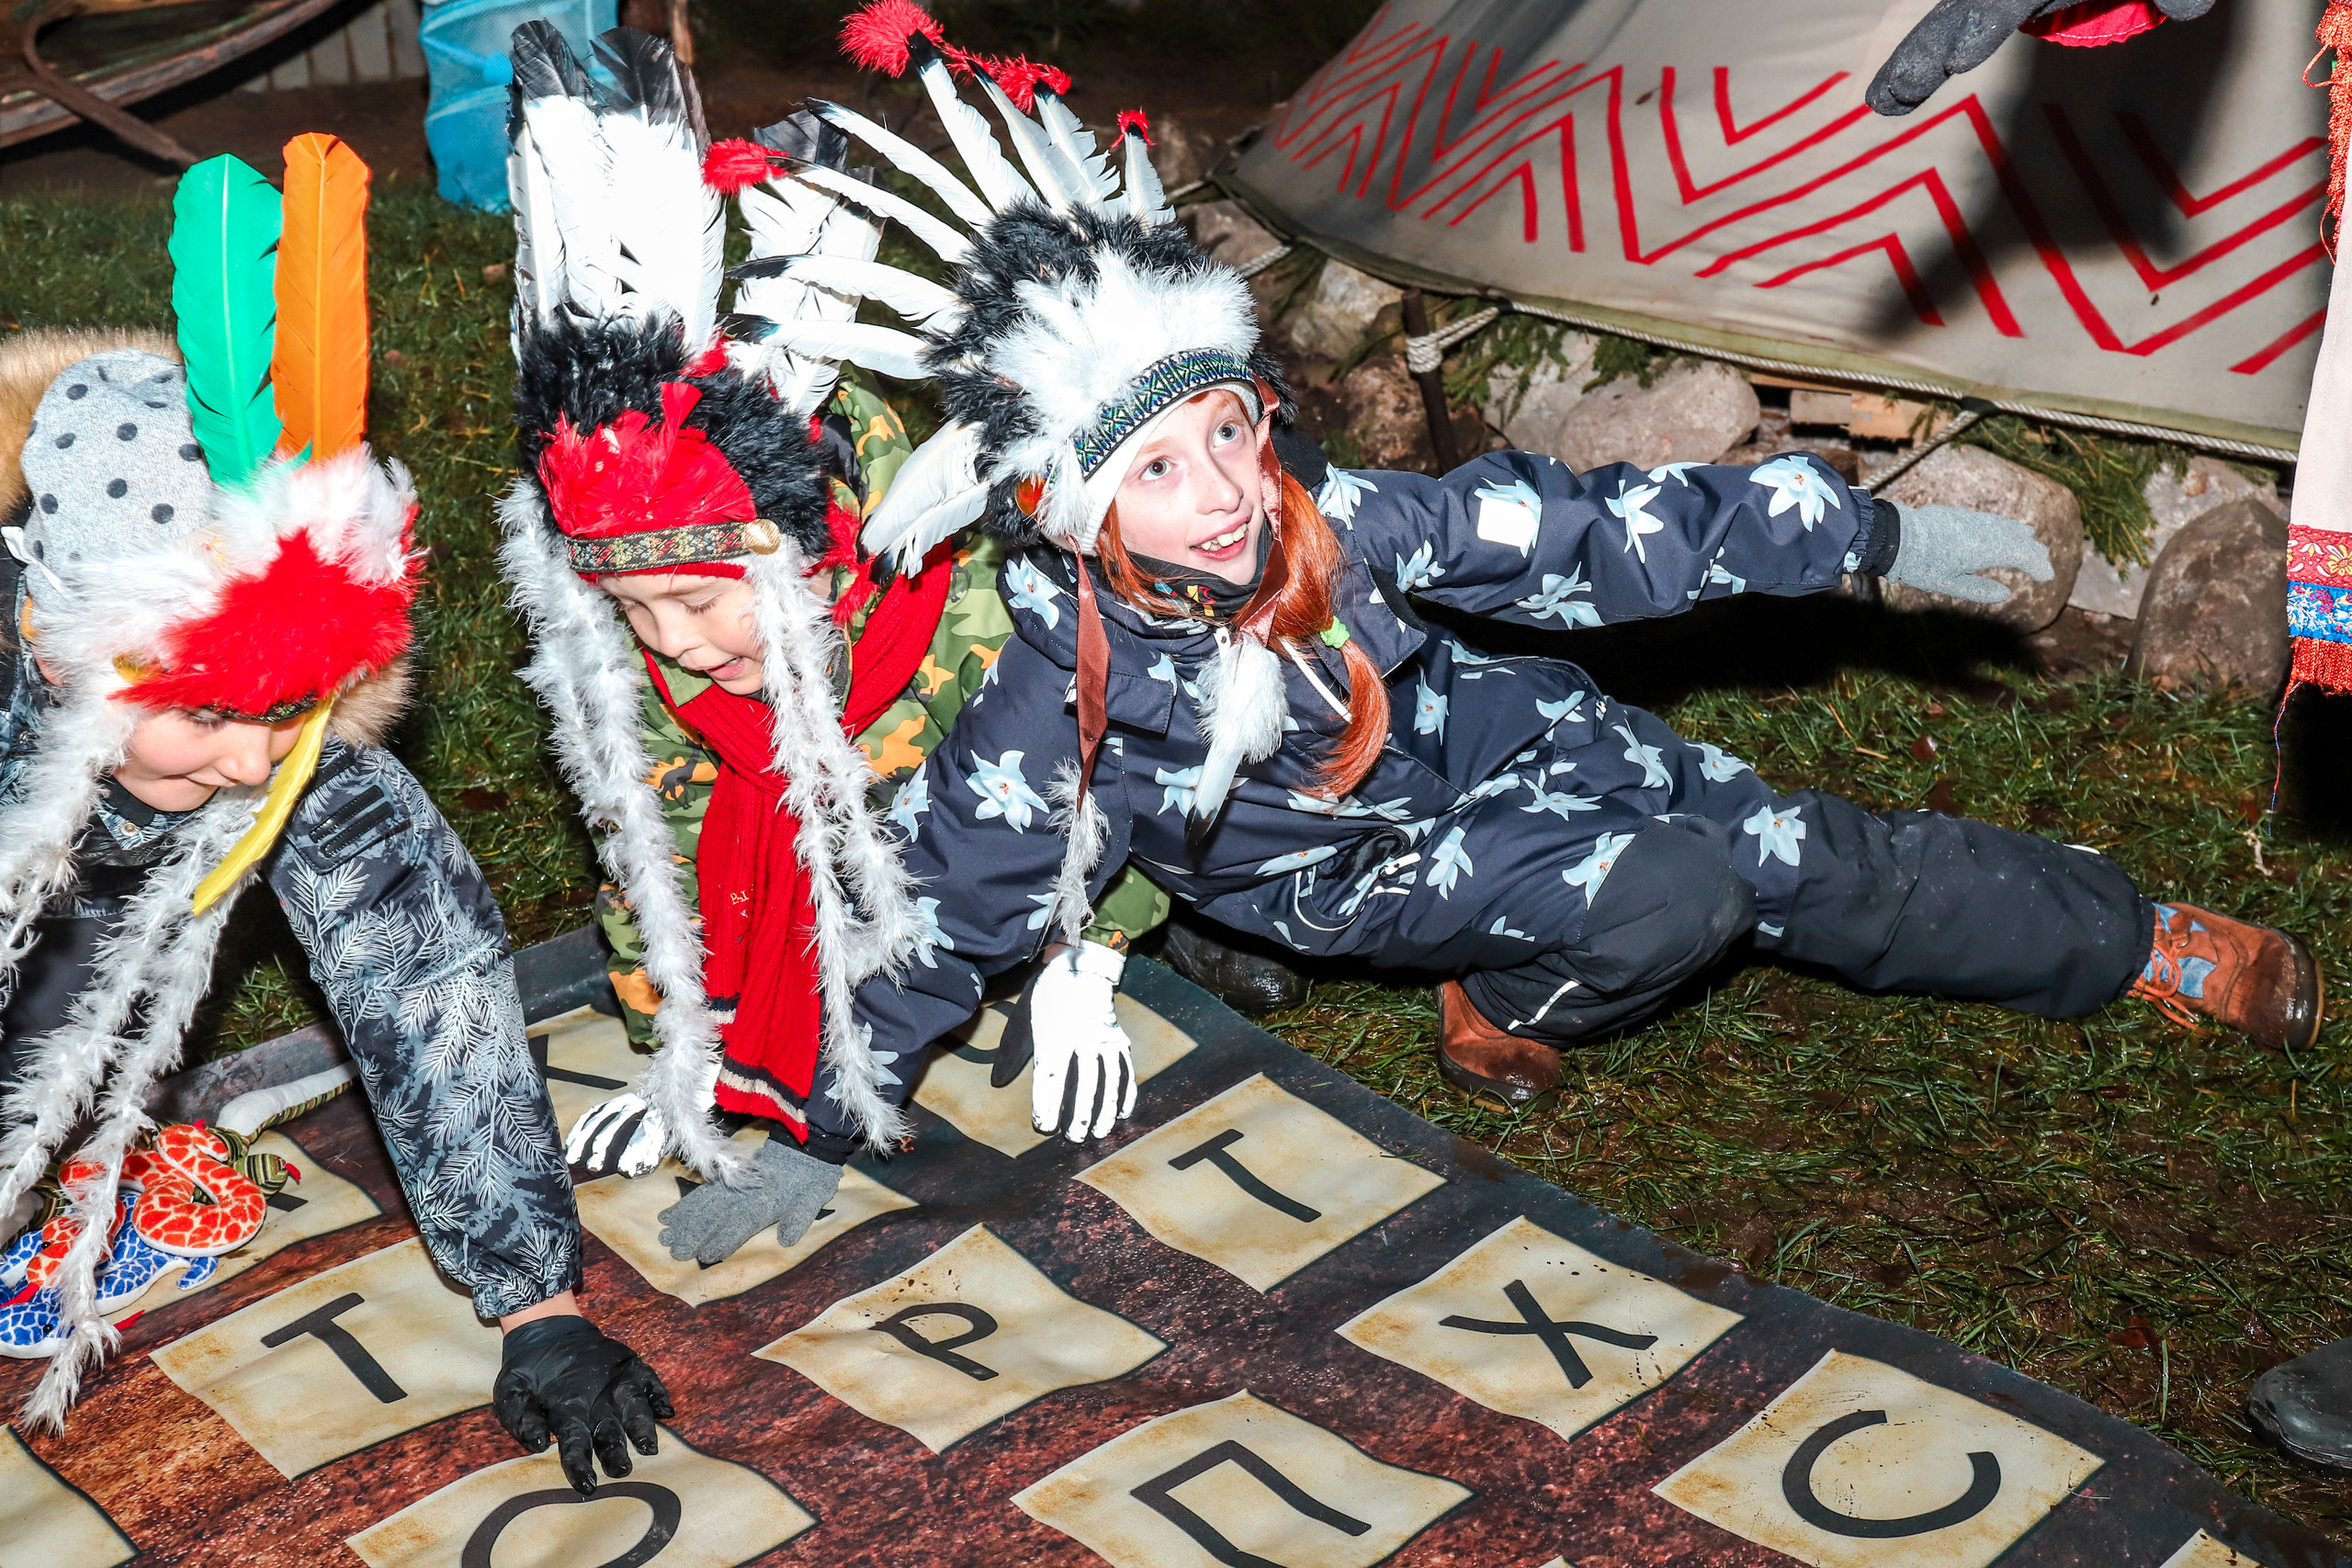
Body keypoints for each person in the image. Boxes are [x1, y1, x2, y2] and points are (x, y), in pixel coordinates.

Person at [758, 1, 2323, 1158]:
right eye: (1157, 471)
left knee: (1792, 846)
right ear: (1082, 511)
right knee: (1693, 892)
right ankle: (1514, 992)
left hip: (1501, 738)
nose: (1225, 491)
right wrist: (830, 1104)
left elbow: (1590, 530)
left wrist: (1862, 534)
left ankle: (2125, 942)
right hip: (1343, 872)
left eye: (1228, 433)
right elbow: (951, 901)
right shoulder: (1063, 677)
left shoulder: (1340, 519)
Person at [0, 138, 664, 1493]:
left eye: (288, 711)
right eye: (209, 718)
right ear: (62, 653)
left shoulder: (289, 758)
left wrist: (541, 1307)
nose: (255, 765)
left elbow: (430, 986)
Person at [495, 27, 1169, 1272]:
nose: (675, 646)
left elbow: (1102, 772)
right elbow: (652, 865)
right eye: (633, 614)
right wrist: (677, 1048)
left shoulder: (961, 622)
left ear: (805, 558)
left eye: (700, 602)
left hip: (996, 865)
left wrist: (1088, 959)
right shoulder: (657, 680)